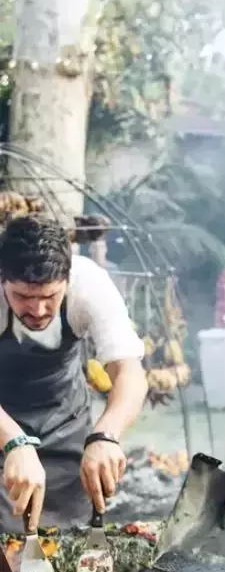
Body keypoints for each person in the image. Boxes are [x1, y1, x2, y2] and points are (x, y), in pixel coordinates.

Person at [0, 215, 148, 533]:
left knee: (71, 536)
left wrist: (106, 435)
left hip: (66, 425)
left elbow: (128, 370)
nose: (37, 311)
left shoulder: (89, 285)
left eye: (49, 297)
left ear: (67, 280)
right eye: (23, 297)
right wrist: (14, 441)